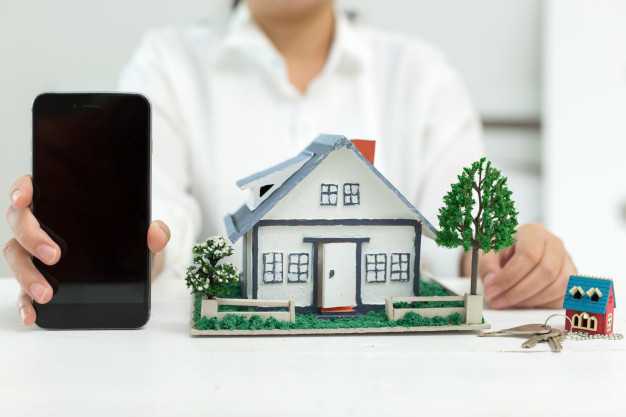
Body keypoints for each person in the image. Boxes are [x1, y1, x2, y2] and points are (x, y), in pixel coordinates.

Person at [3, 0, 576, 326]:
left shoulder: (421, 76)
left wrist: (515, 259)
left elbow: (466, 237)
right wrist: (101, 243)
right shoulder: (167, 65)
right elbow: (158, 222)